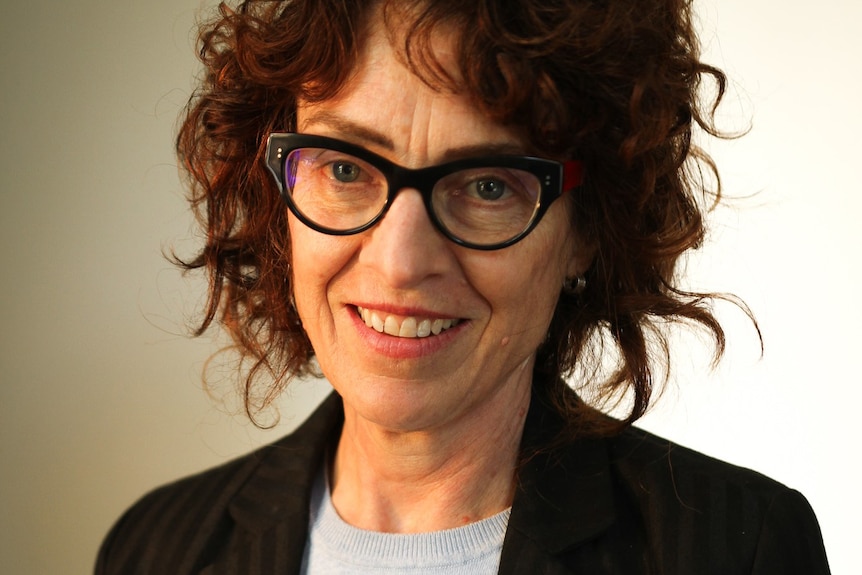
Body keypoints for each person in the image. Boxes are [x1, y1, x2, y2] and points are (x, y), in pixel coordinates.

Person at [96, 0, 831, 573]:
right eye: (346, 168)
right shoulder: (156, 546)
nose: (401, 261)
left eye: (487, 184)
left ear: (587, 229)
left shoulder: (736, 548)